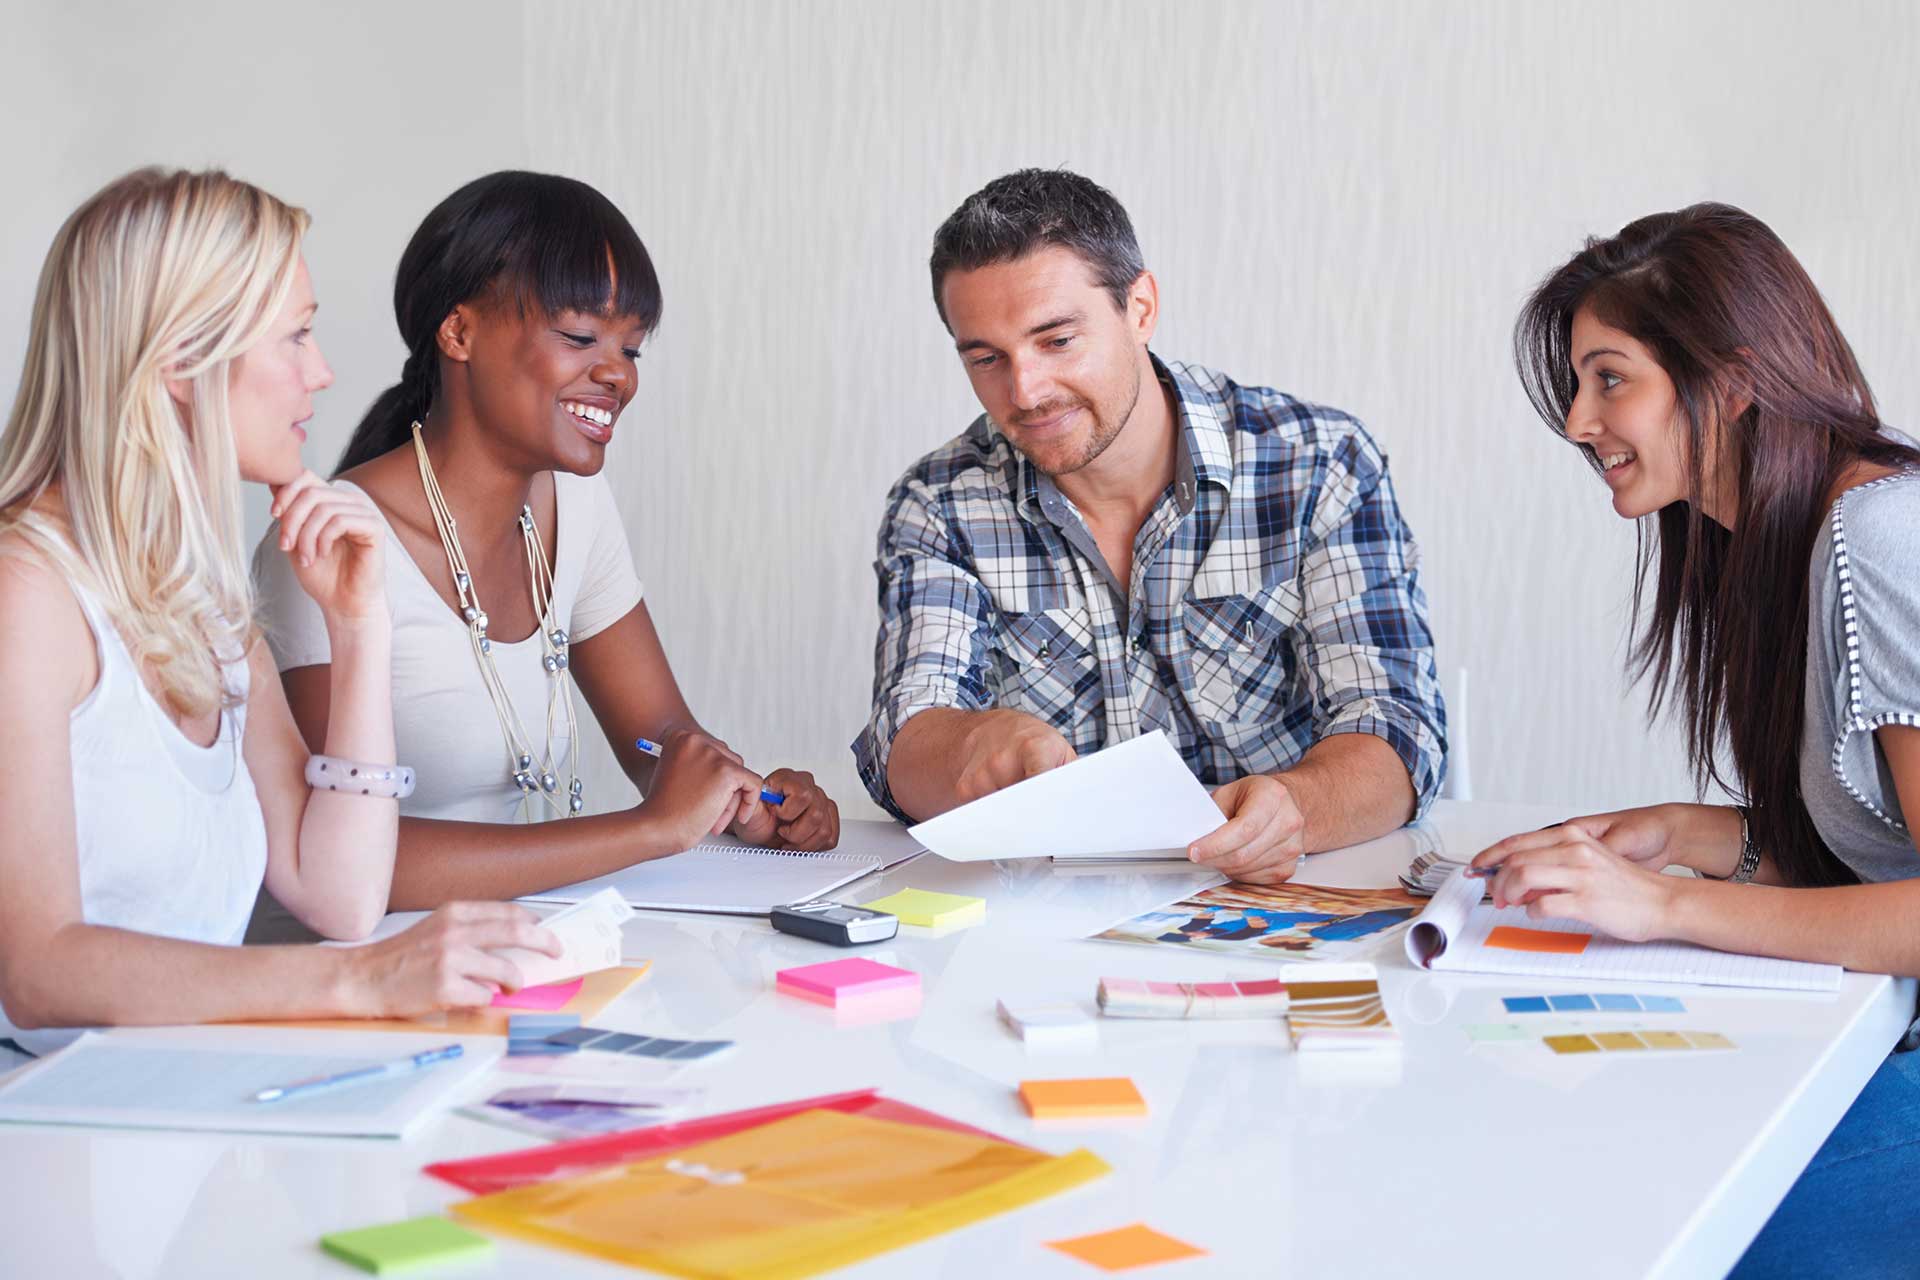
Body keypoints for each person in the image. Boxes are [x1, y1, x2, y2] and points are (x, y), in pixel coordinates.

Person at [0, 168, 561, 1054]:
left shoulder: (201, 598)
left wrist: (360, 629)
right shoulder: (26, 592)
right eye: (295, 335)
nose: (322, 372)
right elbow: (39, 972)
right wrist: (361, 981)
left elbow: (340, 894)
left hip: (180, 1103)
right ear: (181, 360)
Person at [1470, 202, 1920, 1278]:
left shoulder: (1879, 537)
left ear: (1734, 379)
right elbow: (1879, 853)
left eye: (1609, 379)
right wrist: (1684, 832)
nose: (1578, 422)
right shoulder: (1781, 538)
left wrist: (1660, 904)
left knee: (1609, 1205)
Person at [253, 172, 840, 911]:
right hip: (382, 957)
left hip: (536, 941)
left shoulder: (577, 506)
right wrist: (649, 829)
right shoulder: (330, 545)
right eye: (580, 337)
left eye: (632, 349)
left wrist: (739, 797)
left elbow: (658, 739)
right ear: (459, 332)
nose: (617, 374)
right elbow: (337, 858)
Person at [854, 168, 1446, 884]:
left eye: (1057, 341)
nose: (1025, 392)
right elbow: (906, 736)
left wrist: (1296, 807)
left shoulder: (1318, 463)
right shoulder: (940, 501)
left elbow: (1396, 727)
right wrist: (972, 746)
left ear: (1140, 309)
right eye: (986, 358)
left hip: (1282, 895)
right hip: (1049, 915)